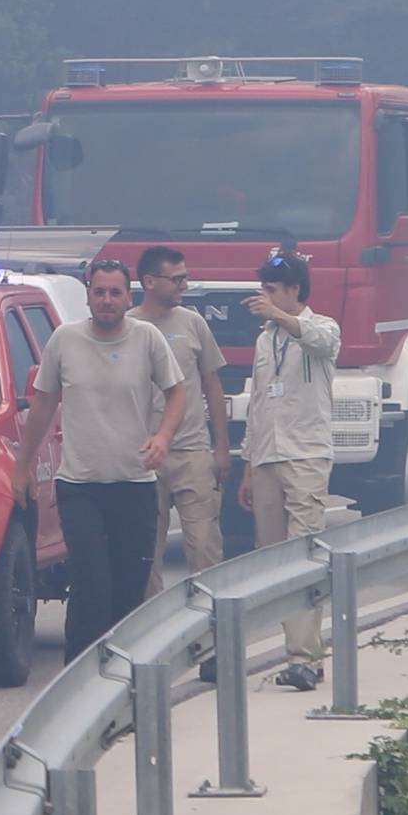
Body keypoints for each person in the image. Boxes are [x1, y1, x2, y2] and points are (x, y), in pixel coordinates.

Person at [13, 258, 186, 660]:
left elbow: (177, 392)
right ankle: (79, 681)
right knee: (91, 587)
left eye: (115, 293)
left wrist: (163, 436)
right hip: (80, 486)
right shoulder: (64, 340)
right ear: (88, 296)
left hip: (135, 486)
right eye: (99, 292)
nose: (107, 301)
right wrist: (22, 466)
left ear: (129, 297)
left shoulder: (147, 339)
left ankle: (124, 684)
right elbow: (42, 405)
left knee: (128, 591)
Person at [239, 248, 341, 692]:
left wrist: (281, 317)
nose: (264, 296)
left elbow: (320, 343)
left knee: (305, 552)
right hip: (266, 455)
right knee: (275, 559)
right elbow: (260, 401)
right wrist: (247, 463)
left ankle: (305, 658)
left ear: (294, 290)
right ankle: (297, 653)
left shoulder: (320, 327)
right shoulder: (265, 339)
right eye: (263, 288)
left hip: (305, 454)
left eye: (273, 289)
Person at [132, 245, 232, 594]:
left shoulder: (193, 323)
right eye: (176, 279)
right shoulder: (129, 327)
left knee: (205, 547)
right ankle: (154, 638)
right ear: (149, 281)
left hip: (192, 452)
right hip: (144, 456)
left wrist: (221, 449)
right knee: (145, 555)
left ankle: (211, 636)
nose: (184, 285)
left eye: (184, 278)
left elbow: (212, 386)